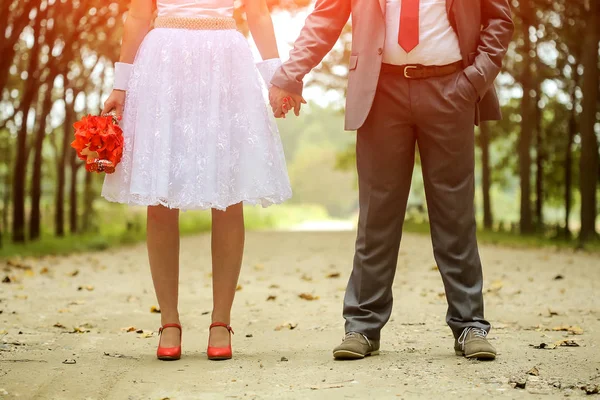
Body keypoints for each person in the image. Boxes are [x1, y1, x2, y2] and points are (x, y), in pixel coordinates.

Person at [269, 0, 513, 360]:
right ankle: (362, 328)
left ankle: (469, 324)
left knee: (455, 214)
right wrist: (290, 74)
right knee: (376, 215)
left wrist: (476, 78)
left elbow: (499, 18)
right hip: (381, 91)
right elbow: (325, 17)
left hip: (452, 88)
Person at [101, 0, 291, 361]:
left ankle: (221, 321)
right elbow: (139, 14)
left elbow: (258, 13)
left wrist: (275, 81)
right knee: (159, 195)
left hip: (226, 61)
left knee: (228, 192)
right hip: (163, 62)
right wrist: (121, 85)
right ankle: (168, 321)